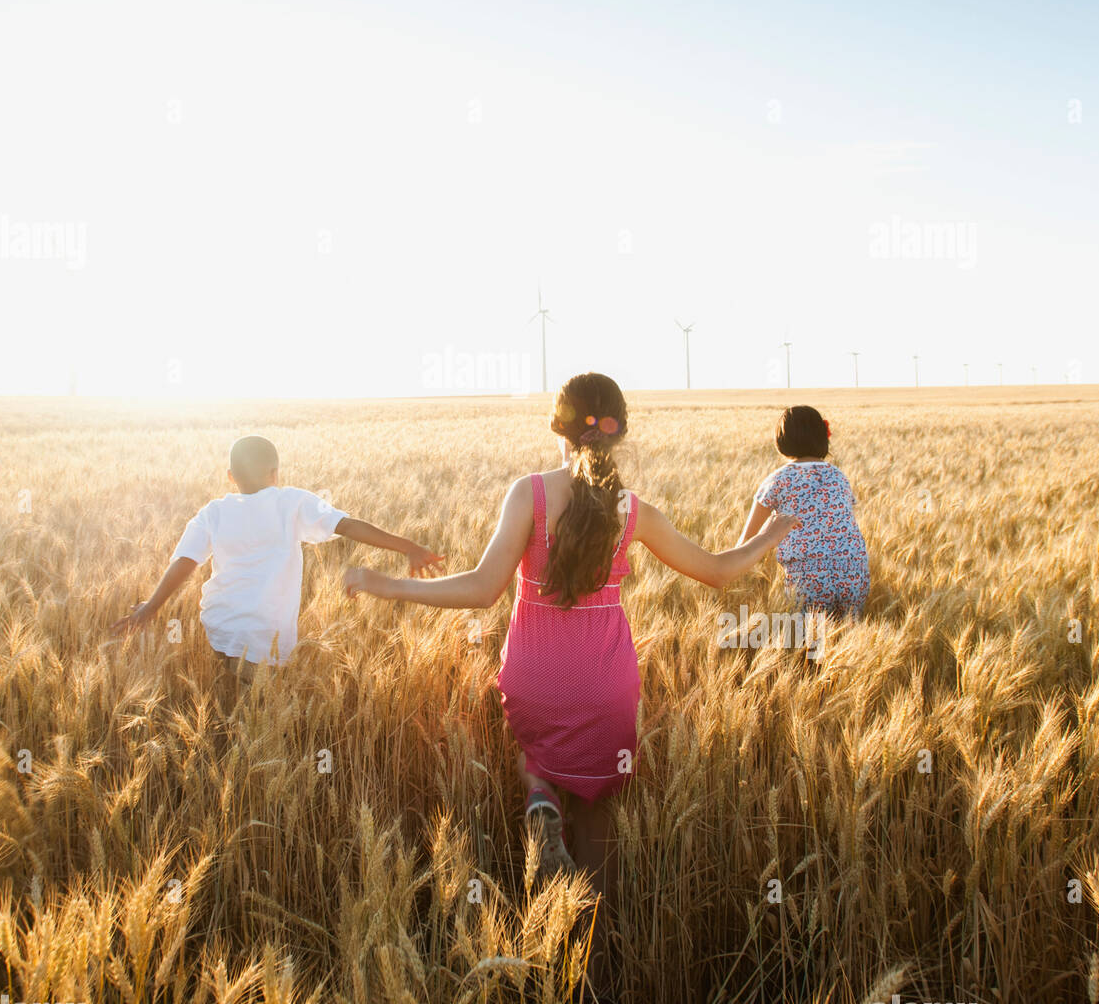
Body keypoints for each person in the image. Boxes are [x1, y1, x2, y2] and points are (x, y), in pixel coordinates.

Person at [343, 373, 798, 893]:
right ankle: (593, 949)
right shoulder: (633, 511)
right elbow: (717, 571)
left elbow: (481, 588)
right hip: (605, 684)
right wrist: (770, 533)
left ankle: (540, 796)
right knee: (596, 817)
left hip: (535, 675)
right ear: (619, 432)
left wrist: (389, 584)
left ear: (557, 427)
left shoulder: (529, 494)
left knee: (535, 755)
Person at [110, 434, 442, 678]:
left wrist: (150, 608)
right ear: (275, 473)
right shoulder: (292, 502)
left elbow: (185, 561)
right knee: (261, 717)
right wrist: (408, 547)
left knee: (228, 701)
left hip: (219, 626)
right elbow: (349, 526)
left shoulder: (214, 511)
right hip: (266, 635)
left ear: (230, 476)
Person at [736, 404, 869, 614]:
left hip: (808, 579)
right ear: (823, 437)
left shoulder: (776, 481)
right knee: (846, 637)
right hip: (854, 572)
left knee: (808, 641)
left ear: (782, 441)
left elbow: (744, 543)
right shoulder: (839, 477)